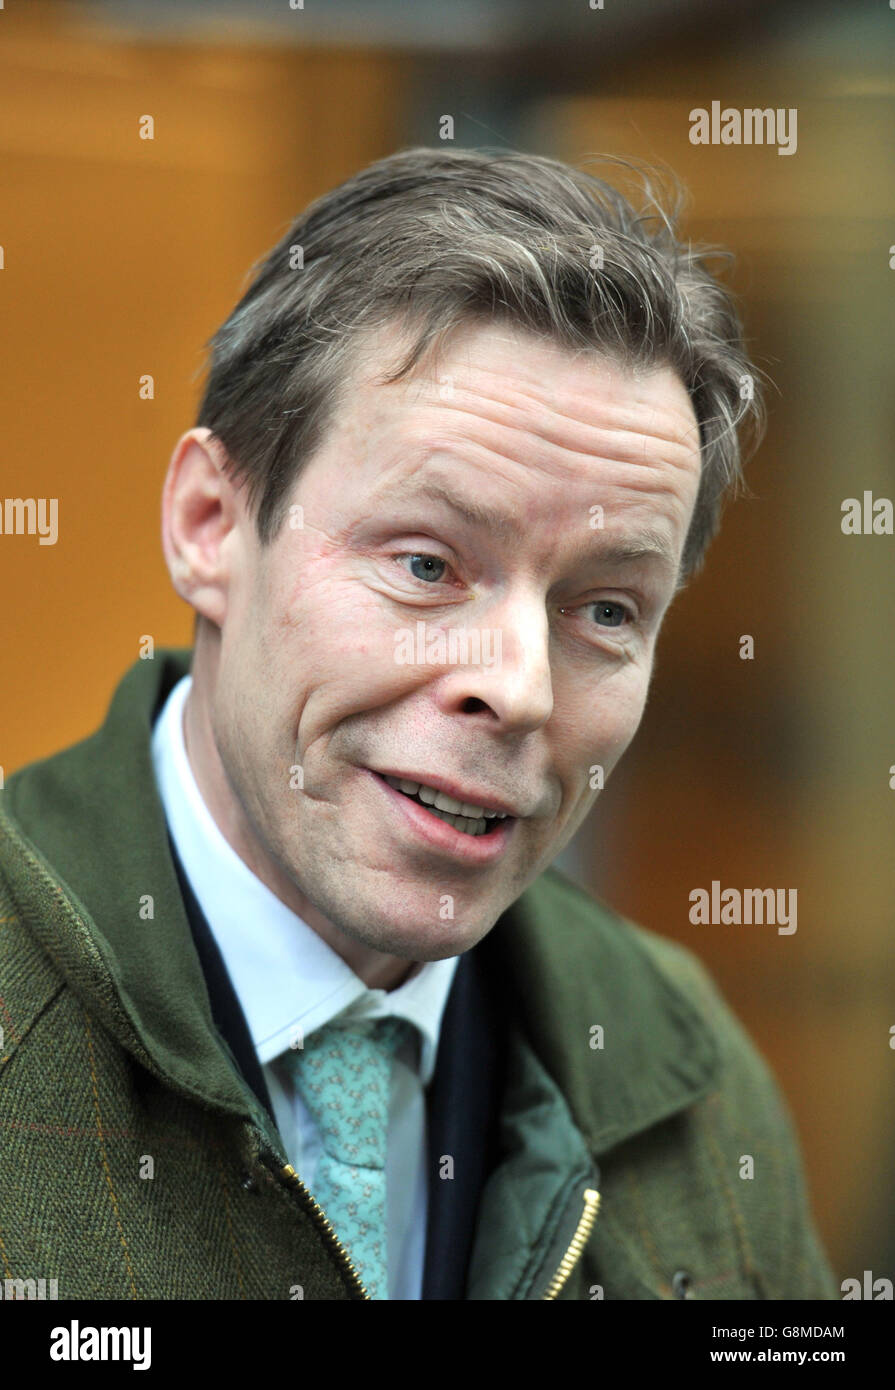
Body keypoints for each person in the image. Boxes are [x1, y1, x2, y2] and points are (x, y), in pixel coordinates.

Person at [0, 147, 837, 1301]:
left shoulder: (682, 1068)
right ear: (209, 524)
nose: (520, 688)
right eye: (427, 563)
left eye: (605, 608)